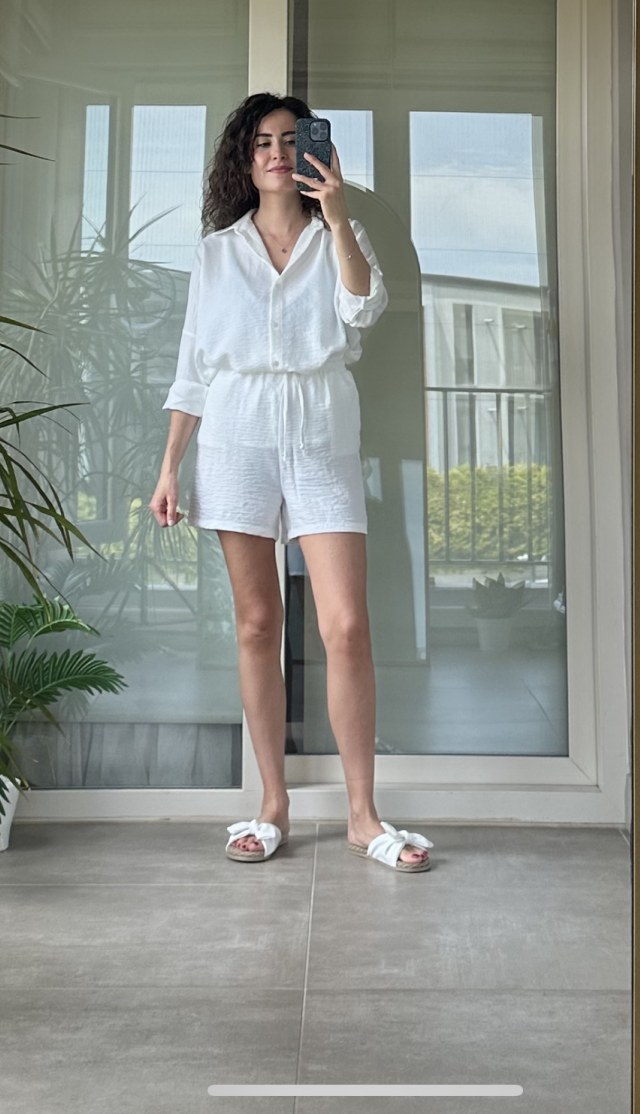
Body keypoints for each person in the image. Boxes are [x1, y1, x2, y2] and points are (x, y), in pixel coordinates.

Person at [149, 92, 433, 875]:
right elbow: (192, 370)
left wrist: (336, 216)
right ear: (244, 160)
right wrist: (170, 466)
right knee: (256, 625)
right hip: (235, 434)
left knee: (346, 627)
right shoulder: (216, 253)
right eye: (262, 142)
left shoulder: (341, 234)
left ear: (313, 152)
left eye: (289, 139)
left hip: (319, 432)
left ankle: (361, 815)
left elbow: (363, 310)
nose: (277, 153)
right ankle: (271, 803)